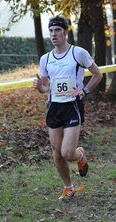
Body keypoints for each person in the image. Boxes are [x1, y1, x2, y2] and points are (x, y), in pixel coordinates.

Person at [32, 15, 103, 200]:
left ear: (65, 32)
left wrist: (85, 90)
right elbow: (46, 88)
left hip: (72, 106)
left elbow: (98, 74)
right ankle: (68, 187)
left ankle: (80, 156)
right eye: (51, 31)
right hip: (54, 108)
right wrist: (39, 86)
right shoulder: (45, 59)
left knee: (67, 152)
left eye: (57, 30)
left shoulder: (78, 53)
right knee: (56, 153)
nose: (53, 34)